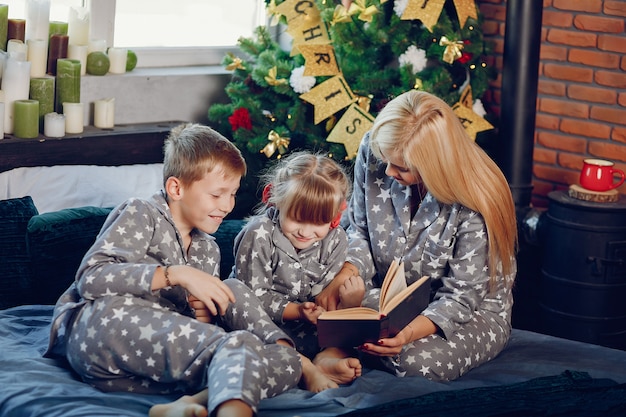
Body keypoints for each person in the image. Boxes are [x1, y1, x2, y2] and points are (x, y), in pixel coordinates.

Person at [45, 123, 304, 417]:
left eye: (232, 194)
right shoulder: (141, 212)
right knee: (237, 345)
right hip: (102, 334)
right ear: (176, 188)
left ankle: (194, 402)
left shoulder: (208, 248)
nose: (228, 205)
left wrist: (202, 316)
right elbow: (91, 279)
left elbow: (182, 332)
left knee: (287, 361)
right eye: (217, 194)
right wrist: (176, 274)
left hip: (144, 369)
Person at [315, 90, 518, 381]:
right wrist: (344, 275)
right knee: (319, 304)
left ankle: (338, 349)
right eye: (385, 159)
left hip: (467, 314)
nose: (386, 170)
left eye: (401, 167)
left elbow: (461, 297)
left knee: (415, 363)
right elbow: (358, 230)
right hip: (387, 301)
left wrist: (407, 334)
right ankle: (343, 344)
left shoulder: (477, 200)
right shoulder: (378, 148)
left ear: (435, 166)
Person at [229, 151, 363, 392]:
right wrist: (298, 311)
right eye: (297, 218)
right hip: (262, 325)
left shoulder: (336, 240)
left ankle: (326, 359)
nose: (305, 232)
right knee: (232, 292)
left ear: (334, 218)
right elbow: (254, 296)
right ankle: (303, 366)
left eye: (319, 223)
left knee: (367, 306)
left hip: (308, 329)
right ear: (277, 200)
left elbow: (325, 295)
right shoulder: (258, 233)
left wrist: (346, 303)